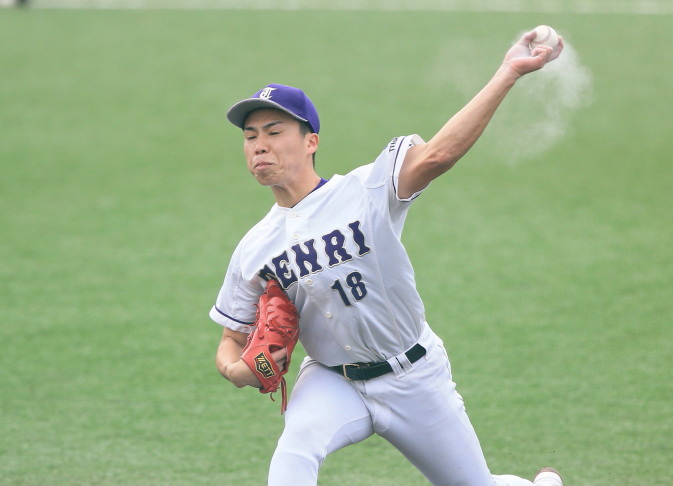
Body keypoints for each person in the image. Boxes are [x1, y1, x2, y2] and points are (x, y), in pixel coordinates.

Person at [210, 28, 565, 486]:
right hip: (332, 380)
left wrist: (509, 71)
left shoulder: (367, 189)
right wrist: (236, 369)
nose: (259, 144)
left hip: (413, 376)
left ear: (311, 141)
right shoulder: (254, 247)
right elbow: (232, 338)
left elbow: (439, 155)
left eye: (274, 132)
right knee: (293, 455)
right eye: (250, 136)